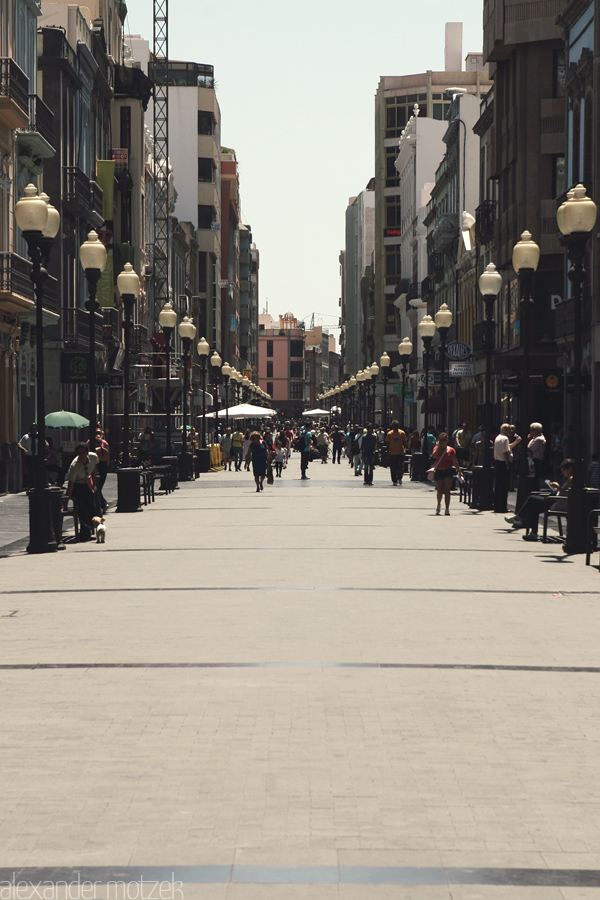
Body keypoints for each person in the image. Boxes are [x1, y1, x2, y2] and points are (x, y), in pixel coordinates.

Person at [507, 459, 573, 541]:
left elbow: (569, 496)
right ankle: (532, 532)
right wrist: (556, 489)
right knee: (533, 506)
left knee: (532, 498)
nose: (562, 472)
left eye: (564, 469)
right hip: (555, 500)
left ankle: (518, 517)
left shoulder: (572, 479)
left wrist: (558, 487)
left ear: (570, 468)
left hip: (558, 503)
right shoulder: (569, 479)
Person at [63, 442, 99, 541]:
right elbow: (70, 484)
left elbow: (93, 469)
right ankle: (84, 534)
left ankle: (89, 528)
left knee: (91, 507)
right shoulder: (74, 466)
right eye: (80, 453)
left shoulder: (93, 457)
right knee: (81, 509)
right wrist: (65, 503)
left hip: (85, 483)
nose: (82, 455)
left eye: (84, 453)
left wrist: (94, 483)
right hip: (76, 486)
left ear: (87, 453)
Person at [431, 432, 462, 515]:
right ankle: (438, 504)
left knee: (447, 490)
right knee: (439, 491)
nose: (443, 443)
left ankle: (447, 508)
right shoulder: (436, 448)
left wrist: (459, 471)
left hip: (448, 470)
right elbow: (433, 456)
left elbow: (454, 461)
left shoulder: (451, 450)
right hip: (439, 471)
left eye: (444, 441)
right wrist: (438, 448)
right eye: (441, 441)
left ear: (447, 441)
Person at [493, 423, 521, 513]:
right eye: (509, 429)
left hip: (497, 462)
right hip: (503, 464)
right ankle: (502, 506)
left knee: (498, 485)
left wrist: (516, 442)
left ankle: (497, 505)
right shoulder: (505, 439)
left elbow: (508, 448)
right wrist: (507, 464)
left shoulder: (498, 437)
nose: (511, 431)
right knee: (504, 486)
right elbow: (505, 452)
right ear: (505, 430)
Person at [18, 423, 43, 488]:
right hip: (29, 456)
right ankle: (31, 485)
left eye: (35, 429)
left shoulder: (39, 436)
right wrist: (23, 449)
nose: (33, 430)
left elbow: (46, 444)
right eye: (32, 429)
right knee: (30, 471)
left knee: (37, 471)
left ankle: (37, 485)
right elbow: (20, 444)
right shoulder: (26, 437)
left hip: (37, 456)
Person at [385, 421, 407, 486]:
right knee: (393, 468)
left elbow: (405, 442)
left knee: (400, 466)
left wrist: (404, 449)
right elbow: (387, 443)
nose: (395, 427)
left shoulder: (402, 433)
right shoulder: (390, 433)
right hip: (392, 453)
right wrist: (388, 451)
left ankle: (399, 477)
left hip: (400, 452)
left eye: (396, 425)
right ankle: (394, 480)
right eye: (394, 425)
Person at [527, 422, 547, 488]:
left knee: (534, 479)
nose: (530, 432)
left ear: (537, 430)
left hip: (535, 460)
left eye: (532, 430)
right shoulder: (535, 438)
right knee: (532, 478)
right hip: (532, 459)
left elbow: (529, 449)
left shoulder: (539, 439)